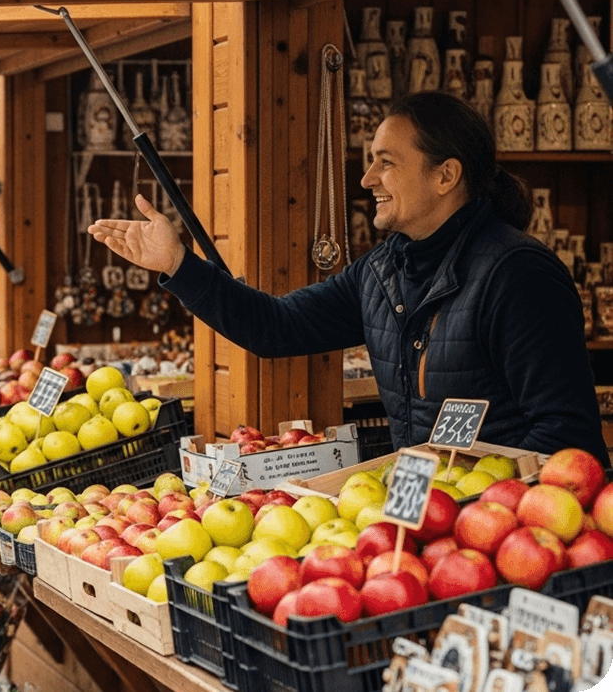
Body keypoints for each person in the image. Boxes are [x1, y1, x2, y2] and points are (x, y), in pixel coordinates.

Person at [89, 91, 610, 467]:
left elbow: (568, 437)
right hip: (428, 525)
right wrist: (180, 266)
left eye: (386, 163)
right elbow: (278, 327)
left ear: (445, 175)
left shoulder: (517, 276)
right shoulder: (383, 270)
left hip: (509, 538)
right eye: (369, 162)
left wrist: (488, 509)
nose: (367, 180)